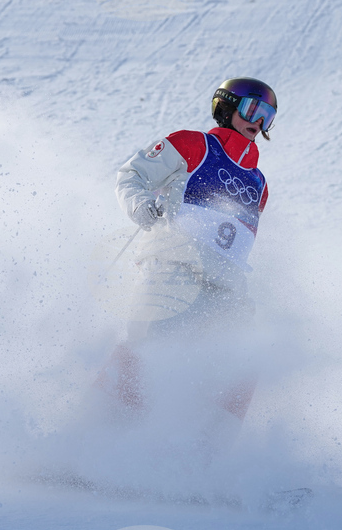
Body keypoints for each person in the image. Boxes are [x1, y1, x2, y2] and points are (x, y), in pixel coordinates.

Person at [94, 77, 278, 443]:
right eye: (252, 109)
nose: (259, 121)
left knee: (243, 361)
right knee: (149, 345)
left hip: (226, 287)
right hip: (175, 266)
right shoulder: (195, 145)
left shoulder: (258, 182)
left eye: (268, 116)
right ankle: (96, 436)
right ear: (226, 107)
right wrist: (143, 207)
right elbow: (131, 176)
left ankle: (209, 456)